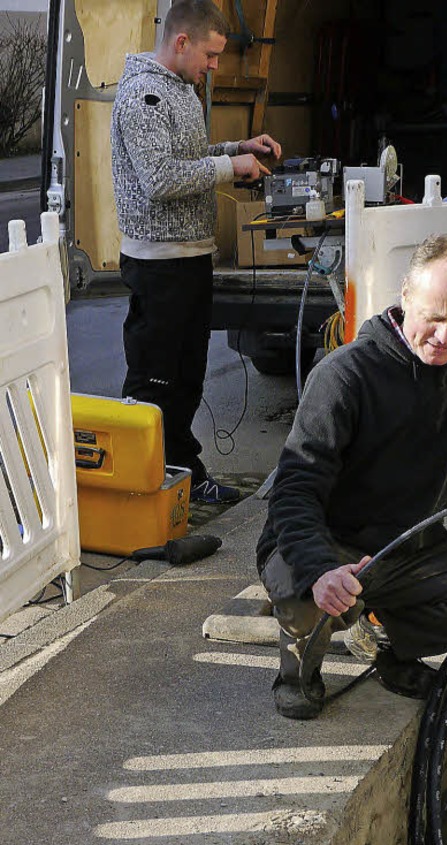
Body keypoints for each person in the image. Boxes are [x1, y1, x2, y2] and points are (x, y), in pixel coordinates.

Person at [256, 232, 447, 719]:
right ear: (405, 296)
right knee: (307, 593)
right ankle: (296, 675)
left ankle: (394, 648)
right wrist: (320, 568)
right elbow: (295, 489)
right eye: (433, 316)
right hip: (328, 543)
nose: (444, 335)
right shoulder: (345, 375)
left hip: (413, 546)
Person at [111, 0, 282, 504]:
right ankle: (143, 488)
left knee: (185, 377)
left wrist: (236, 149)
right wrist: (234, 170)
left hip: (189, 256)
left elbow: (186, 160)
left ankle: (184, 474)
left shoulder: (180, 90)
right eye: (210, 55)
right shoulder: (145, 95)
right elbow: (161, 179)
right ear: (181, 41)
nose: (214, 67)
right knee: (156, 381)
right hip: (158, 262)